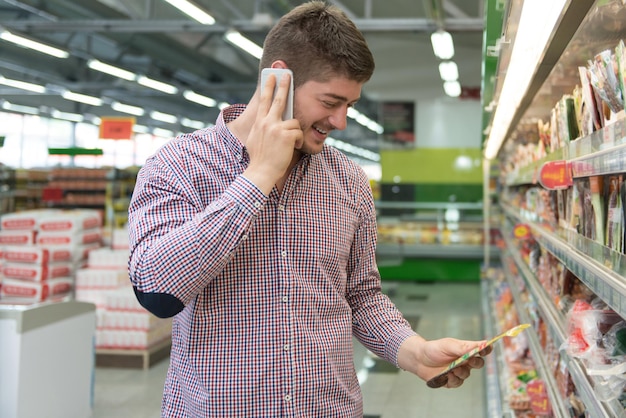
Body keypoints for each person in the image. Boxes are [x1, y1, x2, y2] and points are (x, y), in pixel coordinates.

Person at [127, 1, 491, 416]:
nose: (341, 122)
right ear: (277, 81)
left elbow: (362, 298)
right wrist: (259, 176)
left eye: (349, 106)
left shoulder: (348, 181)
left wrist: (415, 352)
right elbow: (157, 290)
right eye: (331, 101)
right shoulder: (177, 165)